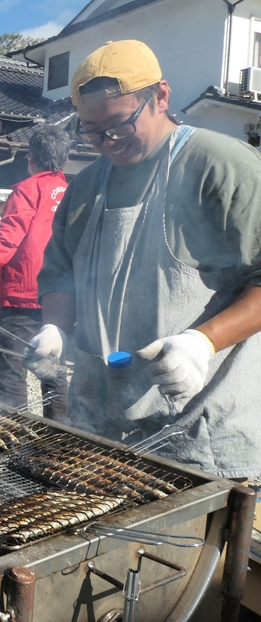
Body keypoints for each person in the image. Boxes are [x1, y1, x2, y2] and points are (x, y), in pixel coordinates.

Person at [29, 40, 261, 478]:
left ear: (161, 97)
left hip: (197, 423)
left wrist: (202, 342)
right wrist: (55, 327)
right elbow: (59, 269)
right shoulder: (87, 185)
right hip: (101, 420)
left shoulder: (220, 166)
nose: (106, 143)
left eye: (117, 126)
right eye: (90, 131)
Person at [0, 126, 70, 421]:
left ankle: (15, 436)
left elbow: (10, 232)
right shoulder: (73, 191)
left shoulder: (28, 189)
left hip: (21, 291)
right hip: (61, 295)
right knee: (52, 370)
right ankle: (61, 438)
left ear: (31, 157)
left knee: (12, 369)